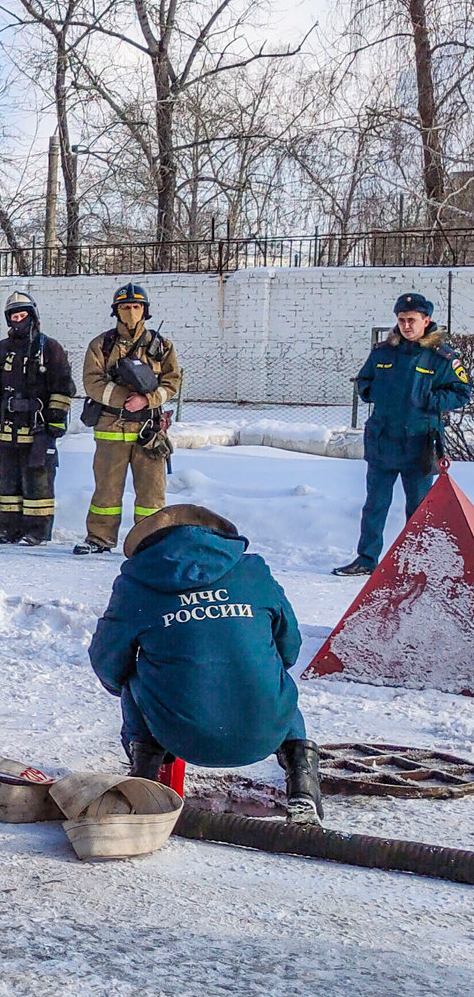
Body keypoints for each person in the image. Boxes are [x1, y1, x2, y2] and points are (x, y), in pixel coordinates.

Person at [89, 504, 323, 824]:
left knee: (135, 674)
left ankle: (146, 778)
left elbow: (108, 660)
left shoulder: (137, 583)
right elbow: (289, 647)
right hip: (265, 730)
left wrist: (133, 685)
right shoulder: (253, 572)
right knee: (269, 674)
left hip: (178, 735)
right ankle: (303, 786)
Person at [333, 293, 471, 577]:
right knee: (375, 505)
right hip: (383, 442)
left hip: (419, 444)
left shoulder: (441, 357)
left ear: (426, 321)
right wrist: (372, 393)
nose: (406, 325)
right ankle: (366, 558)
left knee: (418, 508)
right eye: (401, 320)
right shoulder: (383, 352)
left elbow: (461, 393)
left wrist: (429, 400)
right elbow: (365, 379)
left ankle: (416, 563)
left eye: (412, 320)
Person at [74, 283, 184, 555]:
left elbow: (172, 382)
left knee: (151, 493)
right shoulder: (101, 345)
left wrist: (147, 399)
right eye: (125, 307)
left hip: (149, 431)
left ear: (145, 311)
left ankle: (150, 542)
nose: (131, 312)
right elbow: (92, 382)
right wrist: (124, 397)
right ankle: (99, 538)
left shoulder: (162, 346)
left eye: (136, 307)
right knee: (107, 491)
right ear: (116, 311)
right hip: (111, 426)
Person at [0, 292, 76, 546]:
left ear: (33, 317)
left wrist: (55, 419)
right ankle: (8, 529)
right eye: (14, 317)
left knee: (37, 487)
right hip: (6, 432)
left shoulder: (49, 348)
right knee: (8, 486)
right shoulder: (1, 350)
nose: (18, 321)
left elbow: (63, 387)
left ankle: (37, 531)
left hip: (37, 431)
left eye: (23, 316)